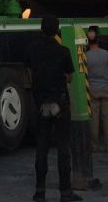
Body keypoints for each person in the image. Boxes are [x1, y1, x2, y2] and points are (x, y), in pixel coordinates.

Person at [28, 15, 92, 201]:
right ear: (57, 31)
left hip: (41, 103)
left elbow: (29, 72)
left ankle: (40, 192)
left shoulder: (32, 50)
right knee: (63, 148)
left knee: (41, 148)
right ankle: (65, 192)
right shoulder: (63, 51)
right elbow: (70, 76)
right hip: (60, 103)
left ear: (41, 29)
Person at [84, 26, 108, 152]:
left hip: (93, 90)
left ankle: (94, 146)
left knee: (94, 119)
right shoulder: (107, 54)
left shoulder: (86, 56)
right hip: (107, 88)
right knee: (107, 118)